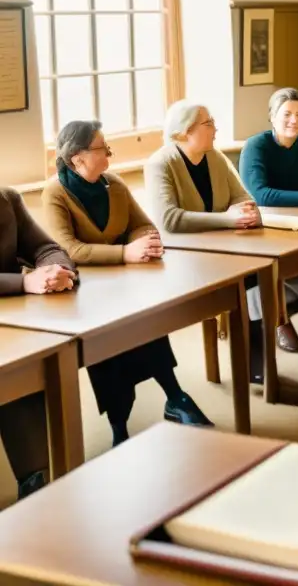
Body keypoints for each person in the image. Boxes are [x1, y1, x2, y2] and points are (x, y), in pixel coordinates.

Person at [42, 120, 212, 445]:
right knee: (110, 346)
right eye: (101, 148)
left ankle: (175, 397)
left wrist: (142, 244)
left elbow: (144, 225)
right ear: (77, 157)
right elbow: (69, 249)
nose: (108, 153)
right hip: (83, 293)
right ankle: (120, 426)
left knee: (148, 324)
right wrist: (125, 253)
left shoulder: (114, 184)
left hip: (126, 282)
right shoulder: (55, 192)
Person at [145, 101, 298, 377]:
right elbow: (170, 220)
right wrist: (229, 219)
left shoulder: (215, 157)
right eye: (208, 123)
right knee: (254, 280)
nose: (215, 128)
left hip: (229, 247)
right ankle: (255, 362)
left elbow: (244, 199)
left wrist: (241, 214)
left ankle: (271, 322)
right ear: (185, 131)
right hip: (187, 257)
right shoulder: (161, 163)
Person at [0, 186, 77, 501]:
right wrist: (24, 282)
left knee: (30, 360)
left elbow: (46, 247)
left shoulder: (7, 199)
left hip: (11, 319)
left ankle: (35, 480)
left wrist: (56, 271)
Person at [240, 88, 298, 209]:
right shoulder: (255, 146)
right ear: (272, 117)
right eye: (287, 114)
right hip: (265, 220)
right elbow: (258, 196)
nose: (294, 120)